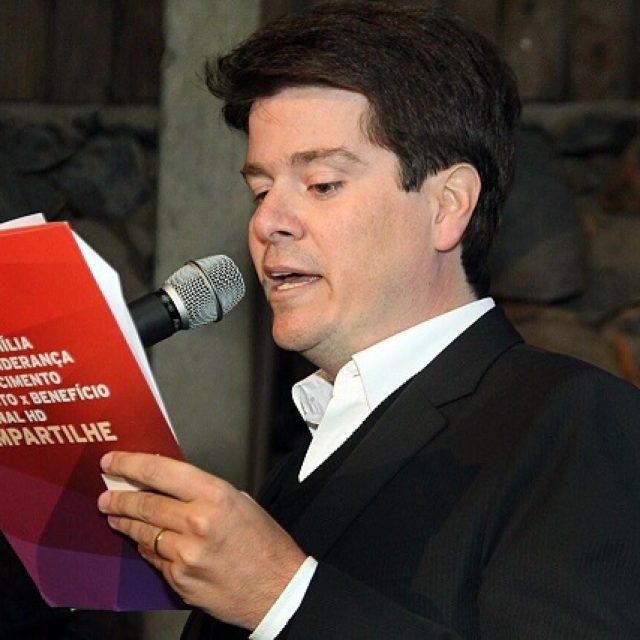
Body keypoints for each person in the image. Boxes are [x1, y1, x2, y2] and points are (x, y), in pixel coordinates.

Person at [97, 2, 640, 638]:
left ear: (448, 206)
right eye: (260, 189)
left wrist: (281, 595)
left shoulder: (575, 421)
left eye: (322, 183)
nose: (267, 221)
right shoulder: (302, 464)